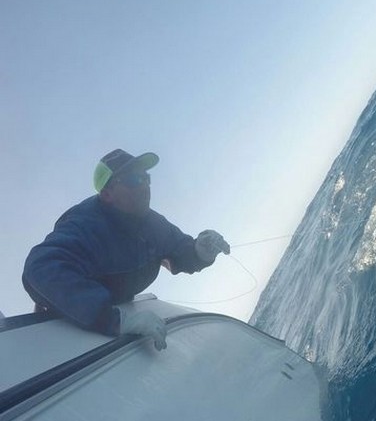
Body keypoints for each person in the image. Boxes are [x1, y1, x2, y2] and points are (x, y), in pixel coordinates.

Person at [22, 149, 230, 350]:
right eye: (133, 180)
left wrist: (201, 252)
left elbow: (181, 251)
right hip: (70, 325)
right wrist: (116, 321)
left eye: (146, 177)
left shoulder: (154, 223)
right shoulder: (84, 224)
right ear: (106, 194)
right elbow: (40, 266)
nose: (145, 186)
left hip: (121, 303)